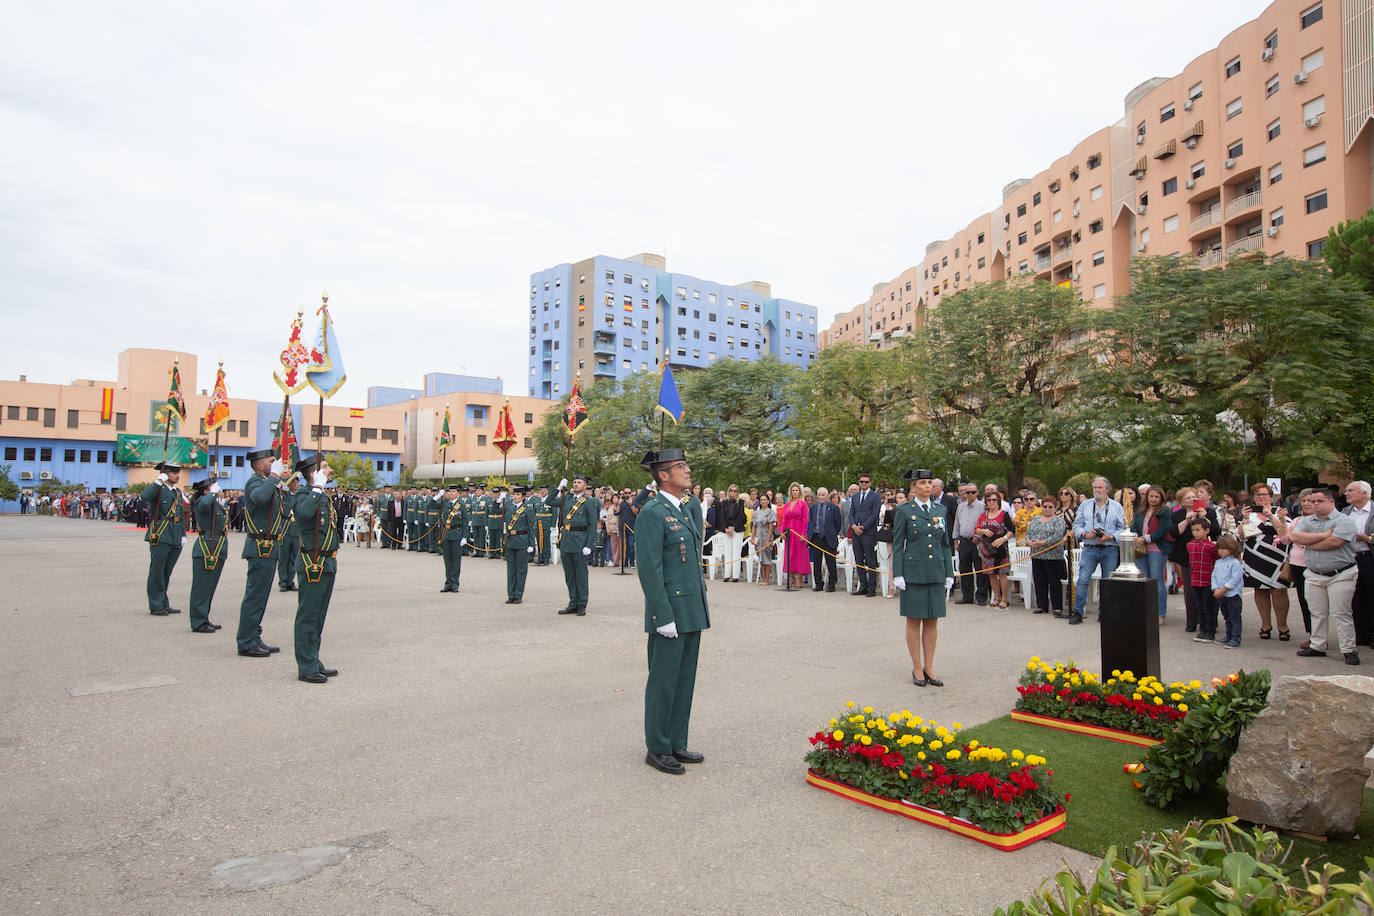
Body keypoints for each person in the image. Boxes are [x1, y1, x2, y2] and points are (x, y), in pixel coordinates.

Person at [636, 449, 709, 776]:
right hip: (670, 611)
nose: (687, 470)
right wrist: (661, 615)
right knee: (664, 681)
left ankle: (677, 740)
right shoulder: (652, 512)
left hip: (691, 607)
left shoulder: (684, 508)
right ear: (663, 475)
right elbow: (649, 570)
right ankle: (658, 746)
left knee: (684, 680)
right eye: (681, 466)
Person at [891, 469, 954, 687]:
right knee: (913, 620)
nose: (928, 486)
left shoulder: (941, 509)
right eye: (923, 483)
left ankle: (930, 666)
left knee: (932, 621)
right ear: (914, 487)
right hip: (914, 572)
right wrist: (897, 573)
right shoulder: (904, 510)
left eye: (930, 482)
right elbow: (898, 544)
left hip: (935, 570)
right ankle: (917, 667)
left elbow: (945, 544)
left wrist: (949, 572)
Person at [1284, 488, 1360, 665]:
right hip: (1314, 573)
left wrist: (1310, 543)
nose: (1314, 504)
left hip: (1340, 573)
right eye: (1312, 501)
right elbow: (1296, 537)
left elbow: (1335, 542)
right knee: (1317, 612)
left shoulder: (1345, 521)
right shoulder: (1306, 520)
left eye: (1319, 501)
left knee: (1341, 613)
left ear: (1331, 502)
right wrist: (1323, 535)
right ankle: (1318, 645)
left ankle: (1349, 649)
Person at [292, 454, 339, 684]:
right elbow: (305, 514)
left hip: (326, 562)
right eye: (325, 467)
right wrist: (317, 487)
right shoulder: (304, 494)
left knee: (318, 616)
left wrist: (319, 489)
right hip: (313, 563)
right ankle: (306, 665)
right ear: (313, 473)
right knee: (308, 615)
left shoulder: (321, 495)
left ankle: (314, 659)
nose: (330, 470)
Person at [237, 449, 287, 659]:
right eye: (271, 461)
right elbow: (258, 498)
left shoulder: (267, 482)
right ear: (259, 465)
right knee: (255, 595)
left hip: (269, 546)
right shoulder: (255, 482)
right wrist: (274, 478)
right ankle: (246, 641)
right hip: (259, 546)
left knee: (262, 596)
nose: (275, 464)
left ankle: (254, 636)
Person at [1069, 477, 1126, 624]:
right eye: (1095, 487)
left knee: (1107, 582)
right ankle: (1078, 612)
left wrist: (1110, 536)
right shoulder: (1085, 505)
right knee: (1082, 580)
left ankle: (1105, 613)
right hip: (1089, 547)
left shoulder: (1116, 507)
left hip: (1109, 548)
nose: (1097, 490)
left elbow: (1122, 528)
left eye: (1100, 488)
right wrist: (1085, 534)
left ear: (1107, 489)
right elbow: (1077, 525)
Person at [1242, 482, 1292, 641]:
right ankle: (1265, 625)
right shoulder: (1249, 513)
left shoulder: (1280, 511)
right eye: (1258, 494)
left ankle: (1282, 626)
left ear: (1271, 496)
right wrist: (1244, 519)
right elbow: (1241, 535)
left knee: (1279, 591)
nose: (1261, 497)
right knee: (1259, 590)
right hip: (1254, 555)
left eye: (1264, 494)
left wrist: (1271, 515)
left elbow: (1285, 533)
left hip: (1276, 556)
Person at [141, 461, 187, 617]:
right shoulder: (158, 489)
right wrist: (157, 481)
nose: (177, 476)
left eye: (178, 473)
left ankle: (163, 602)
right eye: (174, 473)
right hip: (160, 533)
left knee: (167, 571)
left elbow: (179, 515)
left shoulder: (177, 493)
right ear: (166, 474)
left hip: (174, 534)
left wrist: (182, 535)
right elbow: (144, 497)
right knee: (157, 570)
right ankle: (155, 604)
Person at [187, 476, 228, 633]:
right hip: (207, 547)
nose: (216, 489)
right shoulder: (203, 501)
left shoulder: (214, 504)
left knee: (210, 586)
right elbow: (204, 504)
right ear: (205, 491)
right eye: (212, 487)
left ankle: (204, 617)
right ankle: (198, 621)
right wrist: (212, 494)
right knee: (201, 586)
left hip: (217, 545)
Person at [555, 475, 598, 616]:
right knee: (570, 575)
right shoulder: (567, 498)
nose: (576, 484)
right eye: (574, 482)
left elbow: (592, 525)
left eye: (579, 482)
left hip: (580, 541)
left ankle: (581, 604)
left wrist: (589, 545)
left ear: (585, 486)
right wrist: (558, 488)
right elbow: (549, 502)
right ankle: (572, 602)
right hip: (567, 541)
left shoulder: (589, 502)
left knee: (581, 575)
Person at [1130, 485, 1173, 621]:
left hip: (1157, 548)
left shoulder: (1165, 511)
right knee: (1144, 580)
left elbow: (1162, 531)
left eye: (1156, 497)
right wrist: (1136, 537)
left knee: (1156, 580)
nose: (1153, 499)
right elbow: (1134, 526)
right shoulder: (1141, 510)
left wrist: (1144, 538)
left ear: (1161, 498)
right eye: (1151, 496)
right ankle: (1147, 611)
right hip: (1141, 549)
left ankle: (1160, 613)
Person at [1341, 481, 1374, 647]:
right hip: (1351, 558)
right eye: (1346, 490)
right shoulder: (1345, 512)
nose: (1346, 493)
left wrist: (1367, 539)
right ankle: (1361, 634)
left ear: (1364, 493)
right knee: (1355, 597)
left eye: (1350, 490)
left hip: (1369, 557)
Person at [1026, 495, 1068, 616]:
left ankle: (1057, 607)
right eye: (1045, 507)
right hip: (1036, 555)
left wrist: (1042, 543)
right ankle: (1042, 605)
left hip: (1052, 556)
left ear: (1055, 508)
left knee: (1054, 581)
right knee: (1039, 580)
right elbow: (1029, 533)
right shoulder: (1035, 519)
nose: (1047, 509)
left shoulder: (1058, 520)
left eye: (1050, 507)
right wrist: (1029, 542)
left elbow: (1057, 536)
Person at [975, 492, 1012, 608]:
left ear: (998, 501)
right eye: (989, 500)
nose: (992, 502)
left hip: (1000, 547)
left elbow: (1012, 530)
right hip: (987, 548)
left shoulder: (1004, 514)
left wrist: (1003, 538)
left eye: (994, 500)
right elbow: (976, 529)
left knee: (1002, 573)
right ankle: (996, 597)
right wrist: (983, 531)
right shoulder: (982, 516)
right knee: (991, 574)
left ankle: (1004, 599)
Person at [1187, 519, 1220, 644]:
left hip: (1208, 581)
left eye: (1198, 530)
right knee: (1199, 606)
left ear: (1206, 531)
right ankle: (1202, 629)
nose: (1195, 533)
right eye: (1193, 530)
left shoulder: (1212, 546)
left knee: (1209, 607)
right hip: (1195, 580)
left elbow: (1218, 559)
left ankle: (1210, 631)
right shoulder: (1190, 545)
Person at [953, 483, 987, 605]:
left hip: (977, 542)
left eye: (973, 492)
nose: (970, 495)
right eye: (968, 492)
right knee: (964, 569)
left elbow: (985, 523)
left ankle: (981, 596)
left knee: (980, 569)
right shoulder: (961, 507)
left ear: (977, 493)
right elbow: (957, 524)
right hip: (964, 541)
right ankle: (967, 595)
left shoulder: (982, 507)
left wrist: (978, 536)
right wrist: (955, 539)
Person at [848, 473, 880, 597]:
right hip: (856, 532)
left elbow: (874, 514)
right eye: (861, 482)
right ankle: (863, 585)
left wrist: (863, 527)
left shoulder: (875, 497)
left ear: (870, 483)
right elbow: (851, 514)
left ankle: (872, 587)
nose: (864, 484)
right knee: (858, 559)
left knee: (870, 560)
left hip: (868, 532)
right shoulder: (855, 497)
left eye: (866, 482)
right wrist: (854, 526)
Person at [503, 485, 535, 603]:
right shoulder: (509, 507)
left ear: (523, 497)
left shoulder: (528, 509)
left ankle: (518, 594)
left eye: (517, 495)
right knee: (511, 569)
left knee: (521, 570)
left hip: (522, 540)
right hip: (511, 541)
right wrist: (499, 499)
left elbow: (531, 527)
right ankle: (511, 594)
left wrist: (532, 544)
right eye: (514, 495)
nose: (515, 497)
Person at [1212, 534, 1245, 648]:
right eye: (1220, 548)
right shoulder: (1218, 562)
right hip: (1222, 595)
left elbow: (1235, 579)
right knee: (1226, 617)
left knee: (1234, 617)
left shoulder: (1235, 563)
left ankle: (1235, 639)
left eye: (1225, 548)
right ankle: (1228, 636)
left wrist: (1223, 590)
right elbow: (1214, 577)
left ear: (1232, 549)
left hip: (1233, 595)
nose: (1221, 551)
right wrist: (1216, 588)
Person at [778, 482, 811, 590]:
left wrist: (803, 533)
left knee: (799, 555)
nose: (795, 492)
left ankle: (799, 579)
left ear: (799, 492)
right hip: (789, 532)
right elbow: (784, 520)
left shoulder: (802, 504)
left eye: (796, 490)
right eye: (793, 490)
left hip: (799, 531)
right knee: (790, 555)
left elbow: (805, 519)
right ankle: (790, 577)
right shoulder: (787, 504)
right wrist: (782, 531)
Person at [809, 486, 841, 592]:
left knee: (831, 562)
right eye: (819, 495)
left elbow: (838, 524)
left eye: (823, 495)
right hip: (816, 537)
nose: (821, 497)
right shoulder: (813, 507)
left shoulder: (834, 508)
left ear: (827, 496)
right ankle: (818, 583)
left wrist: (831, 533)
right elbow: (812, 521)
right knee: (817, 562)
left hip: (829, 538)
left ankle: (831, 584)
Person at [714, 485, 747, 582]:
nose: (733, 492)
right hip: (726, 530)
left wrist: (733, 527)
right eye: (731, 491)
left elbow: (741, 516)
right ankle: (727, 574)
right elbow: (721, 516)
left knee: (736, 552)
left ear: (738, 492)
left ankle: (736, 575)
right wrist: (725, 528)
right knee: (727, 552)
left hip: (737, 529)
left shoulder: (740, 502)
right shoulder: (724, 502)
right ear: (728, 492)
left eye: (735, 491)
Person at [438, 484, 467, 593]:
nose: (451, 493)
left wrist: (464, 536)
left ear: (458, 493)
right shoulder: (444, 503)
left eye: (453, 491)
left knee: (455, 561)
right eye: (449, 491)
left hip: (456, 534)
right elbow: (431, 505)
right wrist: (438, 496)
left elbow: (465, 521)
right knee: (447, 560)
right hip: (446, 534)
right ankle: (448, 583)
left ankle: (455, 583)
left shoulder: (461, 505)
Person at [277, 473, 302, 593]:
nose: (297, 484)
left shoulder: (300, 497)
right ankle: (283, 581)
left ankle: (290, 581)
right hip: (285, 528)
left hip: (296, 529)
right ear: (290, 483)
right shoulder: (284, 496)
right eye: (295, 482)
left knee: (294, 557)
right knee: (283, 557)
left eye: (298, 482)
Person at [751, 492, 778, 587]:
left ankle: (767, 578)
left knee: (767, 557)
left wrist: (768, 540)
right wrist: (752, 537)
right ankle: (763, 577)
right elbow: (754, 526)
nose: (763, 501)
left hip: (766, 536)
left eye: (765, 500)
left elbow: (771, 527)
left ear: (768, 501)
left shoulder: (771, 512)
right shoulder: (757, 512)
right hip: (758, 537)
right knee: (761, 558)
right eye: (761, 500)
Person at [534, 485, 556, 565]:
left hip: (546, 523)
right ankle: (540, 558)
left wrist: (552, 525)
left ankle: (546, 558)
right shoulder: (537, 500)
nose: (542, 492)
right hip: (538, 523)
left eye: (544, 490)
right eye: (541, 490)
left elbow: (554, 513)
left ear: (547, 491)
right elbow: (534, 512)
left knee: (546, 541)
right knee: (539, 540)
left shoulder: (551, 500)